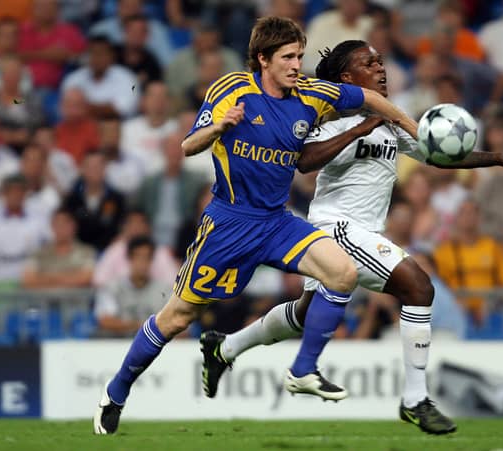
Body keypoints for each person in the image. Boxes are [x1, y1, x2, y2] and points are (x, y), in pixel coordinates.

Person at [93, 17, 436, 435]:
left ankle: (303, 371)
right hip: (229, 223)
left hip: (276, 222)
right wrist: (219, 127)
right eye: (288, 57)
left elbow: (368, 97)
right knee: (178, 316)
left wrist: (413, 128)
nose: (297, 65)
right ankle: (116, 392)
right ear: (263, 59)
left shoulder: (311, 94)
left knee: (343, 272)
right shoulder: (232, 89)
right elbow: (188, 146)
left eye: (300, 56)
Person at [199, 40, 503, 434]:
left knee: (302, 315)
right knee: (418, 287)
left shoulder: (393, 123)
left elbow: (438, 155)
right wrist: (367, 123)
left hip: (356, 231)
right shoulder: (331, 118)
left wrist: (499, 158)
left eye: (381, 62)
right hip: (337, 227)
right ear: (348, 79)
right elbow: (305, 160)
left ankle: (225, 348)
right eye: (370, 63)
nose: (381, 69)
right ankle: (415, 399)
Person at [94, 235, 171, 338]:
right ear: (129, 259)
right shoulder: (112, 288)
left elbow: (174, 322)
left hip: (155, 347)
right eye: (138, 257)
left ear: (152, 260)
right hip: (117, 345)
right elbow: (104, 321)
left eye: (147, 258)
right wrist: (143, 326)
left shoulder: (164, 289)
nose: (142, 263)